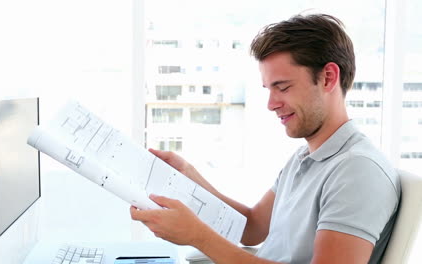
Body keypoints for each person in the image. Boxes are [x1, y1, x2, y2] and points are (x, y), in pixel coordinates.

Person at [130, 13, 400, 264]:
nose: (271, 104)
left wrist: (198, 236)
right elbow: (252, 228)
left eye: (282, 87)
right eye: (268, 89)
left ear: (328, 78)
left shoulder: (358, 171)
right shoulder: (305, 158)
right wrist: (190, 178)